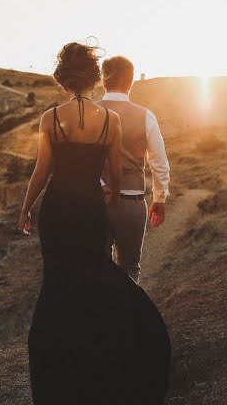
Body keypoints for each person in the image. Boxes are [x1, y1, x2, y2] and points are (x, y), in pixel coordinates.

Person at [18, 42, 170, 405]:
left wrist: (25, 209)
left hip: (57, 212)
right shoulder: (111, 121)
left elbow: (42, 172)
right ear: (91, 78)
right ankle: (111, 345)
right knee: (99, 274)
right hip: (90, 209)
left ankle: (61, 353)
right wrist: (113, 198)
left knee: (57, 281)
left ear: (62, 77)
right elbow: (115, 172)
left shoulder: (51, 119)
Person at [99, 55, 171, 283]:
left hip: (96, 204)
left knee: (96, 270)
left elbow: (78, 159)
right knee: (130, 269)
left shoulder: (90, 113)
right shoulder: (145, 116)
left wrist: (98, 184)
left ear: (103, 81)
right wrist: (160, 197)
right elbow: (158, 160)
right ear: (130, 83)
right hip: (132, 203)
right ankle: (127, 318)